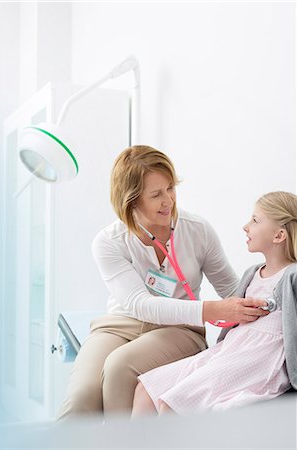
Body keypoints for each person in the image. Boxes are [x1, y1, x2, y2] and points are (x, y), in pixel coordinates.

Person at [57, 145, 268, 419]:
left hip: (179, 330)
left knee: (120, 367)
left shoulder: (197, 230)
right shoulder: (109, 241)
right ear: (131, 201)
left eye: (170, 188)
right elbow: (139, 304)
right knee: (81, 398)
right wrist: (213, 310)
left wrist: (262, 303)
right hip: (121, 324)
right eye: (156, 194)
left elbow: (231, 289)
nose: (168, 201)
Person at [131, 191, 297, 417]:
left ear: (279, 235)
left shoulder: (292, 276)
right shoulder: (252, 273)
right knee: (145, 390)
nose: (246, 227)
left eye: (255, 220)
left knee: (173, 405)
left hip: (259, 360)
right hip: (230, 350)